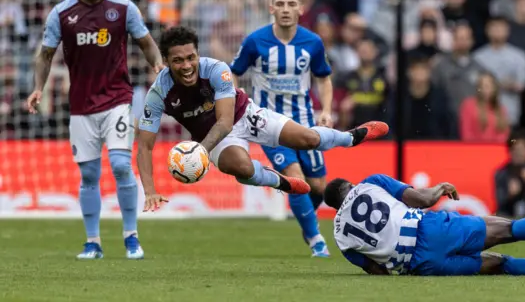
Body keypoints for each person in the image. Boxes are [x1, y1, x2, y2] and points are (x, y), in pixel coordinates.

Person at [137, 26, 389, 216]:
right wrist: (149, 191)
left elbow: (225, 122)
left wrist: (199, 151)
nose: (186, 65)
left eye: (190, 57)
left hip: (243, 115)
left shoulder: (215, 69)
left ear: (198, 54)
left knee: (308, 138)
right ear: (166, 62)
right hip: (211, 139)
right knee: (241, 167)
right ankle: (281, 182)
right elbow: (146, 145)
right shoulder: (159, 92)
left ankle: (350, 137)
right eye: (178, 60)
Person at [25, 0, 163, 260]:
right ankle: (93, 243)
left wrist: (156, 64)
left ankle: (131, 237)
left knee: (118, 165)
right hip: (81, 107)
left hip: (117, 100)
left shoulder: (123, 8)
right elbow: (45, 55)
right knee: (89, 175)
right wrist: (37, 88)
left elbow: (147, 43)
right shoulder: (61, 13)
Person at [324, 175, 525, 277]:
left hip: (422, 265)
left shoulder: (340, 238)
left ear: (336, 207)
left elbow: (375, 270)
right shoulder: (370, 183)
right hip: (430, 229)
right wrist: (439, 189)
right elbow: (420, 200)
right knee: (506, 231)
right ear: (350, 185)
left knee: (500, 264)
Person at [230, 0, 334, 257]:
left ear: (301, 9)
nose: (286, 10)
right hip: (268, 124)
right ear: (271, 8)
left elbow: (323, 77)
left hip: (304, 121)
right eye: (281, 4)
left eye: (291, 4)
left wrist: (326, 110)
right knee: (295, 178)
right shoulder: (255, 41)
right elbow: (233, 73)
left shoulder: (312, 42)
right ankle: (316, 240)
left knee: (319, 188)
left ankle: (305, 220)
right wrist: (236, 97)